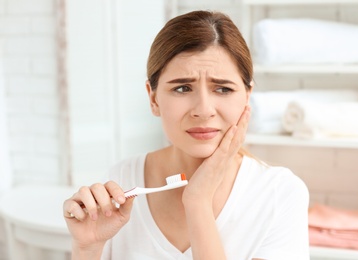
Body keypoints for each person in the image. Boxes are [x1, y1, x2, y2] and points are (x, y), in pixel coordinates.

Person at [63, 10, 309, 260]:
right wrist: (87, 248)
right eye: (182, 88)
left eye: (223, 89)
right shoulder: (121, 182)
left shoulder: (279, 193)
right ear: (153, 97)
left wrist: (198, 203)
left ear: (247, 96)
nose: (203, 110)